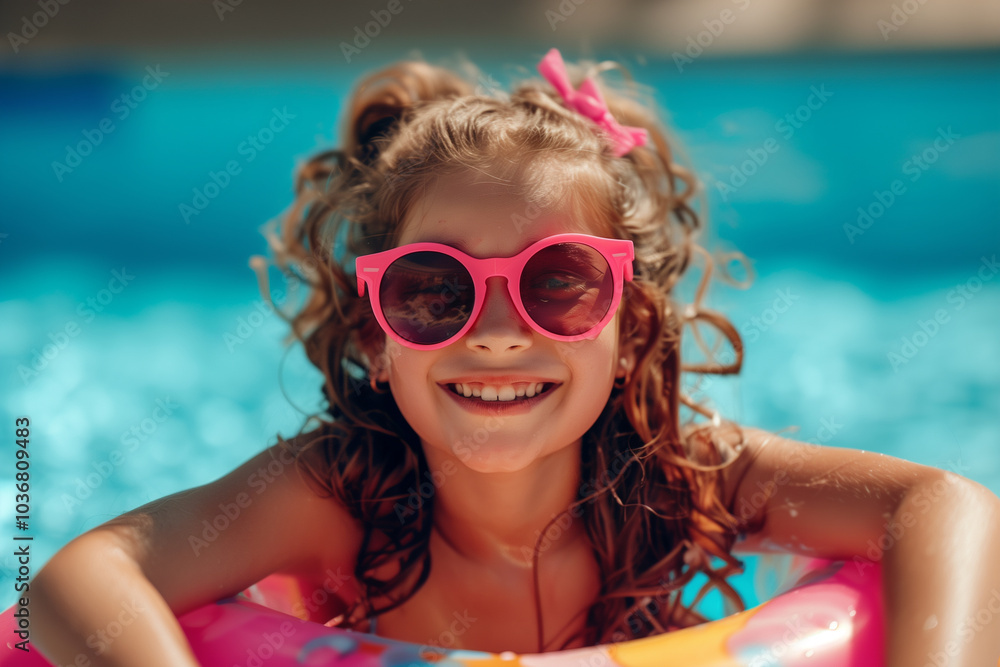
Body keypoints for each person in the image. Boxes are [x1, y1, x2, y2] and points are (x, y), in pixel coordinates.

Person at [29, 48, 1000, 667]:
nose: (495, 331)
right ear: (375, 333)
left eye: (558, 282)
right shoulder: (337, 498)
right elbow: (80, 577)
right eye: (434, 291)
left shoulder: (684, 479)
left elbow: (946, 506)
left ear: (628, 330)